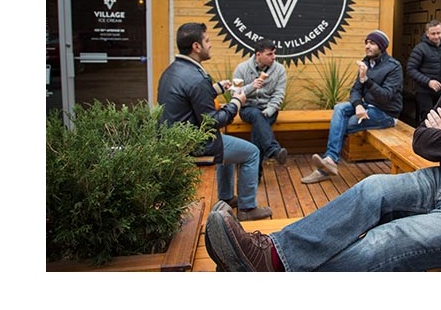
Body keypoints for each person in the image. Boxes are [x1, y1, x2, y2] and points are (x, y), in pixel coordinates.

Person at [205, 3, 441, 271]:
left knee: (388, 239)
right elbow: (421, 141)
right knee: (371, 189)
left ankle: (279, 273)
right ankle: (272, 255)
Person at [156, 22, 272, 221]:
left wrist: (217, 88)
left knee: (227, 144)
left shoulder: (172, 70)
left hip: (175, 137)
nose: (210, 45)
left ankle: (227, 198)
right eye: (207, 40)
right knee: (252, 152)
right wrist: (236, 101)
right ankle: (247, 208)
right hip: (195, 143)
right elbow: (213, 122)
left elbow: (191, 97)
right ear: (196, 46)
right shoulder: (196, 77)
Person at [300, 29, 403, 184]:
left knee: (342, 125)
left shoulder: (394, 67)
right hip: (367, 107)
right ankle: (330, 160)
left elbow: (386, 96)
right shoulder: (366, 62)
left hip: (385, 113)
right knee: (339, 108)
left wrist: (366, 79)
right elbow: (355, 89)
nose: (368, 46)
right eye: (366, 42)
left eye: (372, 43)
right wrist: (358, 106)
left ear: (382, 46)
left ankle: (326, 166)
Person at [231, 39, 288, 166]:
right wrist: (252, 86)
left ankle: (256, 174)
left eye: (274, 53)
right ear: (258, 55)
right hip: (248, 109)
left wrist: (269, 111)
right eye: (269, 54)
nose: (273, 57)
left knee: (258, 129)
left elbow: (279, 94)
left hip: (268, 109)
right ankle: (273, 149)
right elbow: (234, 93)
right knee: (257, 115)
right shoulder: (241, 68)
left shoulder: (279, 70)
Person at [406, 19, 441, 121]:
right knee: (427, 119)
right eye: (433, 33)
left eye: (438, 33)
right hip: (424, 92)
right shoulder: (420, 49)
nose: (436, 36)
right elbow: (411, 69)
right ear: (427, 34)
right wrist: (428, 82)